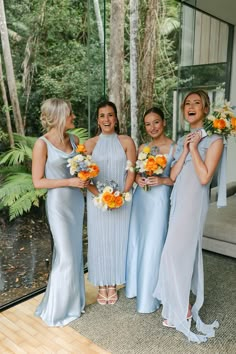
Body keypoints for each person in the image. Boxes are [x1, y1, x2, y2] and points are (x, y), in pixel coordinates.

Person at [153, 90, 224, 342]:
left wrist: (194, 148)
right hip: (178, 199)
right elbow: (172, 177)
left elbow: (205, 177)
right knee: (175, 253)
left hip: (194, 203)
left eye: (197, 103)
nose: (191, 106)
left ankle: (182, 310)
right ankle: (179, 307)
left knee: (175, 253)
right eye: (187, 103)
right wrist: (185, 148)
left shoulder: (215, 140)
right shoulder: (183, 138)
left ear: (205, 109)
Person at [32, 98, 88, 326]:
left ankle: (73, 304)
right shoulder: (42, 144)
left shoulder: (74, 140)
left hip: (76, 201)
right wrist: (69, 182)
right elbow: (38, 182)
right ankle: (56, 311)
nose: (74, 117)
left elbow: (81, 168)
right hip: (58, 205)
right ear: (59, 117)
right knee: (65, 254)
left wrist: (85, 177)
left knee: (74, 253)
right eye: (71, 114)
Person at [85, 100, 136, 305]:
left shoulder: (126, 141)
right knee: (99, 241)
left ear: (116, 118)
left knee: (117, 240)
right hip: (97, 201)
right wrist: (100, 196)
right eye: (102, 116)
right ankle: (101, 284)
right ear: (97, 120)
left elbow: (131, 171)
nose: (107, 119)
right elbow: (84, 176)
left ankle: (113, 284)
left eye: (110, 115)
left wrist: (121, 195)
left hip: (122, 201)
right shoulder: (89, 144)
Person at [125, 107, 176, 313]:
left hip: (159, 201)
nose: (152, 127)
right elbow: (134, 173)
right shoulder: (143, 146)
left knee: (155, 244)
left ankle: (152, 295)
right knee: (138, 241)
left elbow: (177, 178)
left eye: (156, 122)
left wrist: (162, 179)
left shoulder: (175, 147)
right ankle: (136, 287)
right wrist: (139, 179)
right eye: (148, 124)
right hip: (141, 199)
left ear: (163, 122)